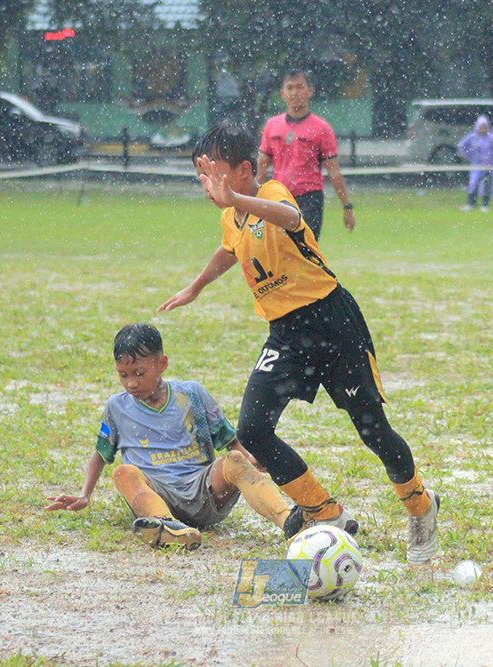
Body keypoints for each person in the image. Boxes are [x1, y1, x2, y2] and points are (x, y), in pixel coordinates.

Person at [159, 122, 440, 565]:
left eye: (213, 172)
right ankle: (327, 514)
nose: (206, 183)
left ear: (246, 170)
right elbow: (229, 249)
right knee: (251, 430)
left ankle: (421, 507)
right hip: (286, 335)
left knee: (373, 431)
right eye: (201, 174)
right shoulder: (230, 215)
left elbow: (292, 219)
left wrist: (237, 200)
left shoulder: (272, 194)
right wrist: (196, 287)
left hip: (331, 322)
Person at [46, 323, 293, 551]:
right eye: (123, 375)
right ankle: (168, 527)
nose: (131, 383)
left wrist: (250, 464)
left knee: (236, 460)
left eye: (139, 373)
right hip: (156, 494)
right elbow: (100, 455)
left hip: (204, 492)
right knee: (123, 472)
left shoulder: (192, 394)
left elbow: (230, 443)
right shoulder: (116, 407)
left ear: (162, 364)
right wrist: (84, 495)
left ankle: (290, 523)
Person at [257, 69, 355, 240]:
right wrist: (254, 201)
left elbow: (333, 171)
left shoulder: (321, 129)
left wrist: (347, 206)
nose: (295, 93)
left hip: (309, 199)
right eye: (290, 88)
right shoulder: (272, 126)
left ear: (310, 91)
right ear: (283, 93)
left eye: (300, 87)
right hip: (279, 198)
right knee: (277, 250)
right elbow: (261, 166)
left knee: (305, 251)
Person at [456, 115, 493, 213]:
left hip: (489, 166)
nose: (483, 129)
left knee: (487, 184)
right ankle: (471, 203)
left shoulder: (491, 138)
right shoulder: (472, 138)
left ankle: (485, 204)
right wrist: (469, 155)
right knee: (473, 184)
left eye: (484, 127)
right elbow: (462, 146)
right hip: (476, 166)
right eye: (481, 127)